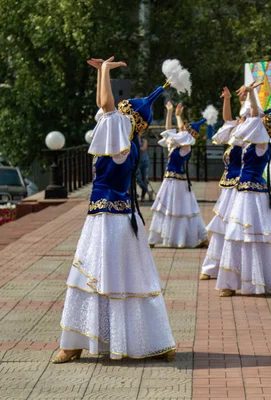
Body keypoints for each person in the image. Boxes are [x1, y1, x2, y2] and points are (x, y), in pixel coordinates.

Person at [53, 57, 176, 363]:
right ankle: (147, 342)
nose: (118, 106)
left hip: (109, 220)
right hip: (119, 218)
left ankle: (74, 345)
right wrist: (100, 73)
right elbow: (104, 105)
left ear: (129, 118)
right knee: (127, 280)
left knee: (94, 276)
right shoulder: (125, 137)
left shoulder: (120, 131)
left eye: (125, 107)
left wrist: (106, 71)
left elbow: (107, 106)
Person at [215, 84, 271, 296]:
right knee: (239, 235)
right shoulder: (251, 143)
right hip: (245, 194)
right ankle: (232, 283)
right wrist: (246, 97)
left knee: (253, 237)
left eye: (259, 122)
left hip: (253, 196)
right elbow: (245, 119)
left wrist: (252, 95)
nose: (253, 123)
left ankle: (265, 281)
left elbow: (253, 116)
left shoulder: (262, 144)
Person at [148, 102, 209, 248]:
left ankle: (183, 238)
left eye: (187, 131)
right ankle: (155, 238)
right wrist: (169, 112)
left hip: (177, 181)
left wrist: (178, 115)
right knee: (167, 208)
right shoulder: (177, 145)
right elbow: (169, 130)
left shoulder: (186, 148)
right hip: (170, 180)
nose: (183, 131)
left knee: (179, 210)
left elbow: (181, 131)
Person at [200, 86, 245, 280]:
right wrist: (227, 99)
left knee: (237, 225)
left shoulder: (254, 130)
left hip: (243, 187)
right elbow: (228, 120)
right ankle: (214, 265)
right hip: (229, 187)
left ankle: (238, 267)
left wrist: (247, 99)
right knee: (221, 227)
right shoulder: (236, 128)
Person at [137, 128, 151, 201]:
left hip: (145, 161)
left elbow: (143, 148)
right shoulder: (134, 140)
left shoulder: (144, 141)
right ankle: (147, 191)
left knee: (145, 179)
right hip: (137, 162)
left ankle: (143, 196)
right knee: (138, 179)